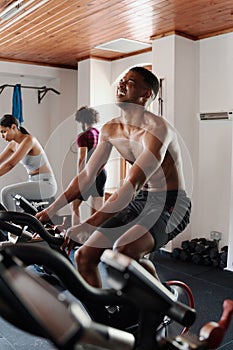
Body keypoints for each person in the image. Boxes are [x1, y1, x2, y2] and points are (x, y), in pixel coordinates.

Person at [36, 66, 191, 287]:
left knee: (124, 250)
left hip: (171, 203)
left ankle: (163, 304)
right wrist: (51, 210)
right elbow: (87, 176)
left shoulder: (157, 130)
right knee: (84, 256)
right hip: (140, 201)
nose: (121, 84)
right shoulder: (111, 129)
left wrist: (88, 224)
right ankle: (106, 315)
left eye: (130, 82)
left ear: (146, 94)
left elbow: (131, 184)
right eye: (121, 80)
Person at [0, 114, 57, 211]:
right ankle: (13, 224)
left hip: (46, 184)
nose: (2, 136)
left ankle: (11, 223)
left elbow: (10, 164)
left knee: (6, 192)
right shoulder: (13, 145)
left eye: (4, 132)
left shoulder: (29, 140)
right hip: (33, 182)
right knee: (15, 208)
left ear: (13, 127)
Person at [71, 106, 107, 229]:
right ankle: (95, 238)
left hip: (89, 174)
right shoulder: (98, 133)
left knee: (74, 204)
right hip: (101, 173)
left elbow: (82, 158)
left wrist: (80, 177)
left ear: (81, 120)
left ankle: (75, 236)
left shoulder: (83, 136)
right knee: (98, 210)